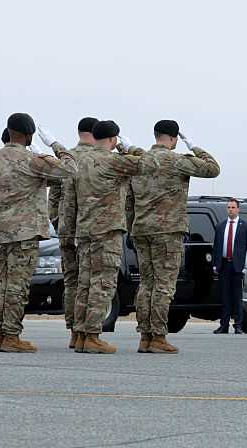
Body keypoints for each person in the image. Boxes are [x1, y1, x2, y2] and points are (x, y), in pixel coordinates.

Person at [0, 113, 77, 353]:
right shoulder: (31, 160)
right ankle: (11, 336)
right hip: (22, 235)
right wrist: (55, 145)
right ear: (29, 134)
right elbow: (71, 170)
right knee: (16, 286)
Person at [126, 119, 220, 353]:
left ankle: (145, 336)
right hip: (167, 231)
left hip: (141, 230)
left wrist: (132, 227)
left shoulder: (139, 161)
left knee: (146, 283)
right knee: (163, 285)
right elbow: (213, 168)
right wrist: (194, 147)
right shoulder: (177, 161)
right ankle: (158, 337)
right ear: (174, 138)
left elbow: (129, 201)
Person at [73, 120, 158, 354]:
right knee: (103, 283)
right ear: (113, 139)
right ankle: (92, 335)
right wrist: (128, 148)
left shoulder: (82, 161)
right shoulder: (114, 161)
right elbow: (151, 163)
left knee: (85, 283)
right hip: (107, 230)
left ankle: (80, 335)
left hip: (85, 229)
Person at [46, 116, 98, 349]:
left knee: (71, 281)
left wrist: (59, 223)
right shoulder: (97, 158)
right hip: (89, 230)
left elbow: (54, 197)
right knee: (89, 281)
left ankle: (73, 332)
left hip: (66, 229)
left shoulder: (66, 158)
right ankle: (86, 330)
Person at [212, 198, 247, 334]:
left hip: (238, 267)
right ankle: (223, 326)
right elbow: (216, 247)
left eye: (233, 207)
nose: (230, 210)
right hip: (224, 265)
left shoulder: (245, 226)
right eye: (229, 207)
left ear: (238, 209)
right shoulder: (220, 226)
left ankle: (238, 325)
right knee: (225, 297)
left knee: (237, 297)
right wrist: (215, 264)